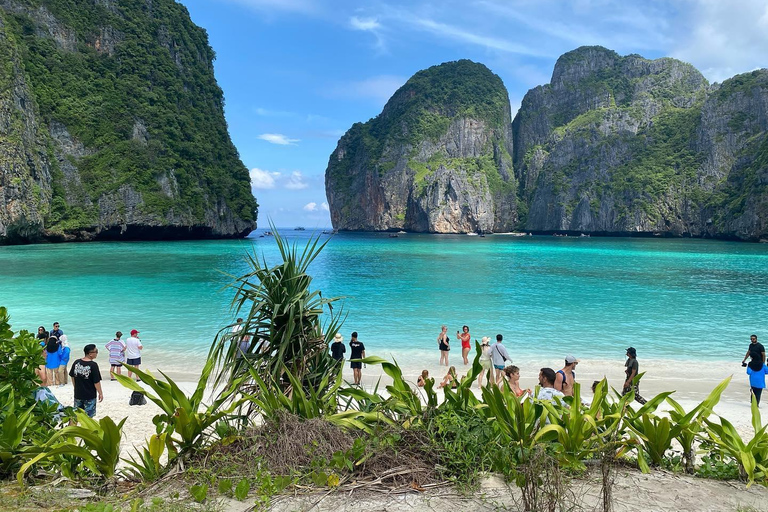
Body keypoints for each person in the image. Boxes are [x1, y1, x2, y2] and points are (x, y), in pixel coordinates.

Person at [69, 344, 103, 418]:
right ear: (90, 354)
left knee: (76, 416)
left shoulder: (76, 362)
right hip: (89, 395)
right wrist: (100, 393)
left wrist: (75, 386)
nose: (97, 353)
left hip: (78, 393)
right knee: (88, 418)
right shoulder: (93, 365)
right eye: (96, 351)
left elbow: (72, 376)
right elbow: (96, 382)